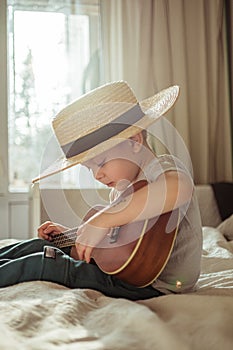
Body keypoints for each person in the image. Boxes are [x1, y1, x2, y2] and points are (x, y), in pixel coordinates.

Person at [0, 82, 202, 300]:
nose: (96, 175)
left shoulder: (162, 169)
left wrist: (103, 219)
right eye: (89, 168)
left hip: (156, 285)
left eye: (102, 162)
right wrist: (71, 235)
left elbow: (179, 188)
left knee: (47, 263)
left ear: (134, 141)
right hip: (126, 273)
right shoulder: (122, 189)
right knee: (42, 245)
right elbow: (115, 242)